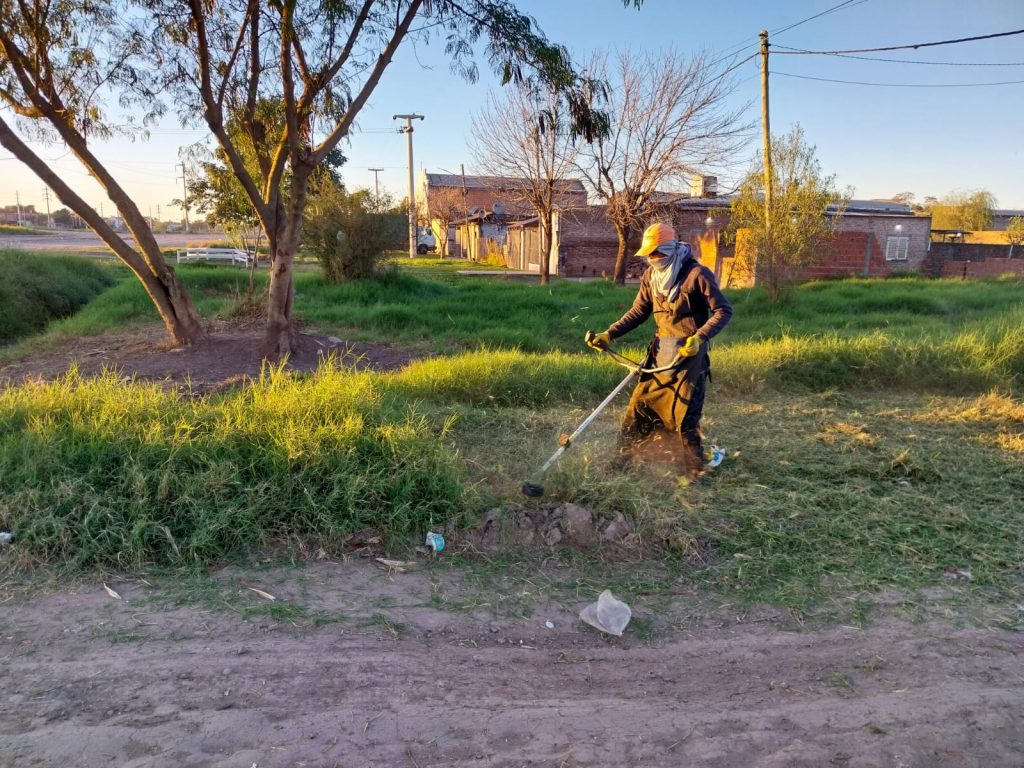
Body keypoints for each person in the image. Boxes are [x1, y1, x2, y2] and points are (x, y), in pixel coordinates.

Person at [588, 222, 732, 481]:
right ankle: (623, 463)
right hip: (660, 353)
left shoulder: (697, 274)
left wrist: (700, 337)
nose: (652, 260)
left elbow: (723, 310)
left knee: (684, 416)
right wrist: (610, 333)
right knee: (638, 408)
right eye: (649, 255)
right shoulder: (651, 277)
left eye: (657, 254)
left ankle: (693, 471)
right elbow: (638, 311)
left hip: (690, 355)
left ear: (670, 249)